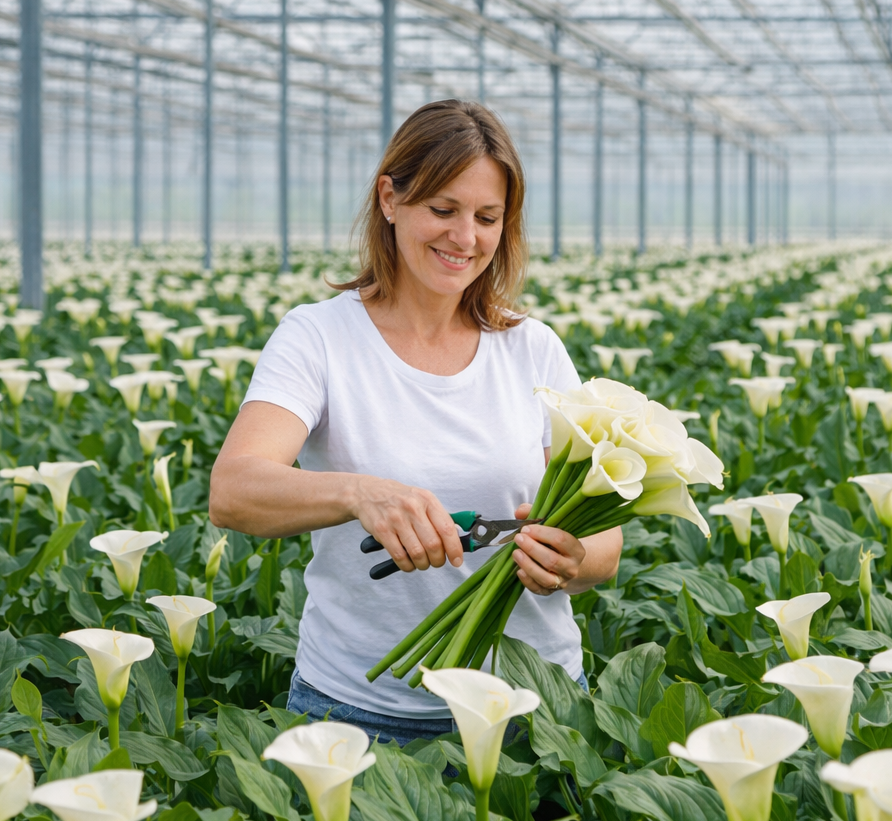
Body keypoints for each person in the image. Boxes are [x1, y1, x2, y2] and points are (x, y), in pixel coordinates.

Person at [209, 100, 621, 745]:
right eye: (443, 210)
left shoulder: (533, 347)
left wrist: (570, 560)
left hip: (535, 712)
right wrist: (359, 492)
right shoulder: (318, 336)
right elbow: (234, 492)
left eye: (488, 218)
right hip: (360, 713)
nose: (466, 238)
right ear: (390, 198)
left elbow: (605, 545)